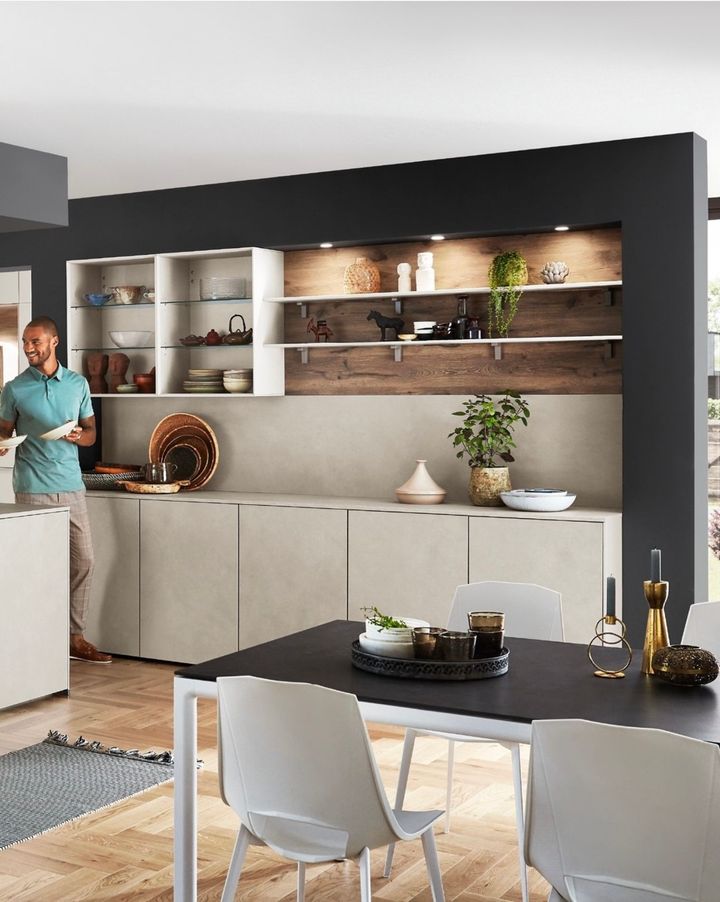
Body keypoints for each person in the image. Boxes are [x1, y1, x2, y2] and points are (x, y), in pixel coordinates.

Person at [0, 315, 111, 664]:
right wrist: (2, 443)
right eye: (24, 342)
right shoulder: (15, 388)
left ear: (54, 341)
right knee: (37, 567)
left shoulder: (77, 384)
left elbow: (91, 432)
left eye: (35, 341)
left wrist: (81, 436)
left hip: (71, 485)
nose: (28, 348)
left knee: (85, 562)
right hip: (32, 487)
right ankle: (38, 640)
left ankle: (75, 638)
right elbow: (3, 431)